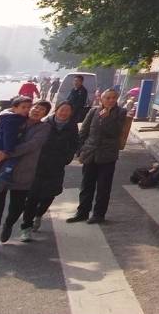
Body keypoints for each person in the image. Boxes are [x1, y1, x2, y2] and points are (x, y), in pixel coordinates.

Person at [0, 99, 50, 256]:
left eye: (42, 110)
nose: (36, 110)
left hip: (23, 173)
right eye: (35, 107)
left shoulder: (44, 128)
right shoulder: (14, 120)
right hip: (2, 172)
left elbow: (31, 146)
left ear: (45, 115)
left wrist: (6, 153)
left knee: (17, 207)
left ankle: (9, 223)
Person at [19, 101, 80, 241]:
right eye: (62, 109)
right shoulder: (45, 124)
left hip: (56, 167)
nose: (64, 113)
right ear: (56, 110)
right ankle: (26, 227)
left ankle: (39, 214)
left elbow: (74, 144)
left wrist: (67, 158)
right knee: (32, 197)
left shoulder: (72, 127)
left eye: (67, 110)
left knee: (49, 195)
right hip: (38, 166)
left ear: (70, 113)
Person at [69, 88, 125, 224]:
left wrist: (107, 119)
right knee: (86, 185)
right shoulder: (93, 111)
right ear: (101, 99)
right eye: (108, 98)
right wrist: (80, 150)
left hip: (107, 155)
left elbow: (116, 132)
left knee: (103, 187)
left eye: (113, 98)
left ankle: (99, 214)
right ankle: (82, 212)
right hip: (90, 153)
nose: (111, 100)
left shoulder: (120, 112)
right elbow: (84, 131)